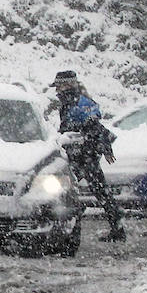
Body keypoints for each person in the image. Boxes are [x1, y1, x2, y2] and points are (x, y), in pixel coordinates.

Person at [51, 70, 125, 242]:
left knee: (69, 190)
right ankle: (116, 223)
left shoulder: (79, 103)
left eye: (59, 86)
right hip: (81, 153)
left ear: (68, 85)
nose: (57, 91)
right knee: (99, 190)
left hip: (84, 154)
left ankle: (68, 229)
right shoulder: (72, 102)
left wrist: (103, 146)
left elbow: (93, 126)